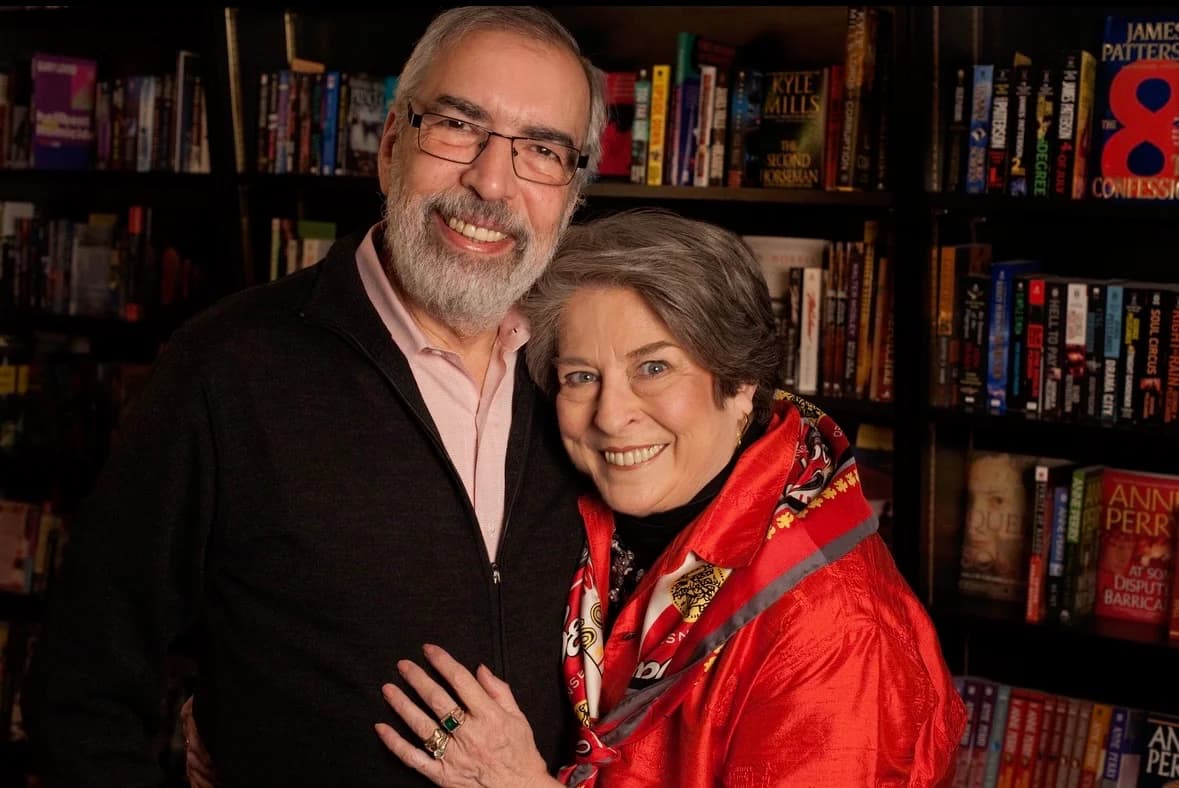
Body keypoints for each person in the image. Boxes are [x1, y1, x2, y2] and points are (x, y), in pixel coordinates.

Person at [23, 6, 607, 787]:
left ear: (570, 191)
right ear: (392, 143)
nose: (490, 182)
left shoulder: (589, 375)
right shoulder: (230, 364)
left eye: (540, 149)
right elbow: (83, 680)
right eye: (458, 126)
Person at [370, 208, 968, 786]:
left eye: (653, 368)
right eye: (581, 376)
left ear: (738, 384)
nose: (611, 415)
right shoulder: (593, 517)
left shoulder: (835, 629)